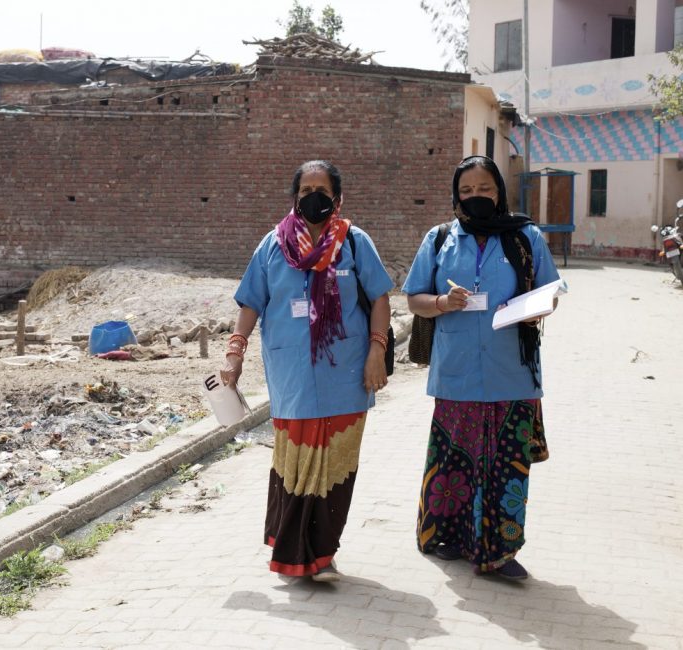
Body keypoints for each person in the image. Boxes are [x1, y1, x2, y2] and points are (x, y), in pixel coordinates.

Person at [220, 160, 393, 582]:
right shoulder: (272, 246)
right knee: (295, 462)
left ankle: (323, 554)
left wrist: (377, 350)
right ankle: (295, 553)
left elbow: (381, 298)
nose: (313, 196)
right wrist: (235, 352)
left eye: (322, 189)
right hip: (292, 373)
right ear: (294, 197)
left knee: (336, 465)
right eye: (305, 189)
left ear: (337, 198)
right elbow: (250, 304)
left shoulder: (354, 242)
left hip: (346, 374)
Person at [402, 155, 560, 580]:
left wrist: (535, 311)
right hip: (456, 372)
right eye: (466, 191)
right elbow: (414, 297)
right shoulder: (439, 239)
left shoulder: (526, 237)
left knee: (507, 466)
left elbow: (550, 292)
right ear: (456, 196)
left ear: (500, 191)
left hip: (512, 371)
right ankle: (447, 538)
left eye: (484, 190)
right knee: (454, 462)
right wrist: (440, 303)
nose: (476, 198)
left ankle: (499, 553)